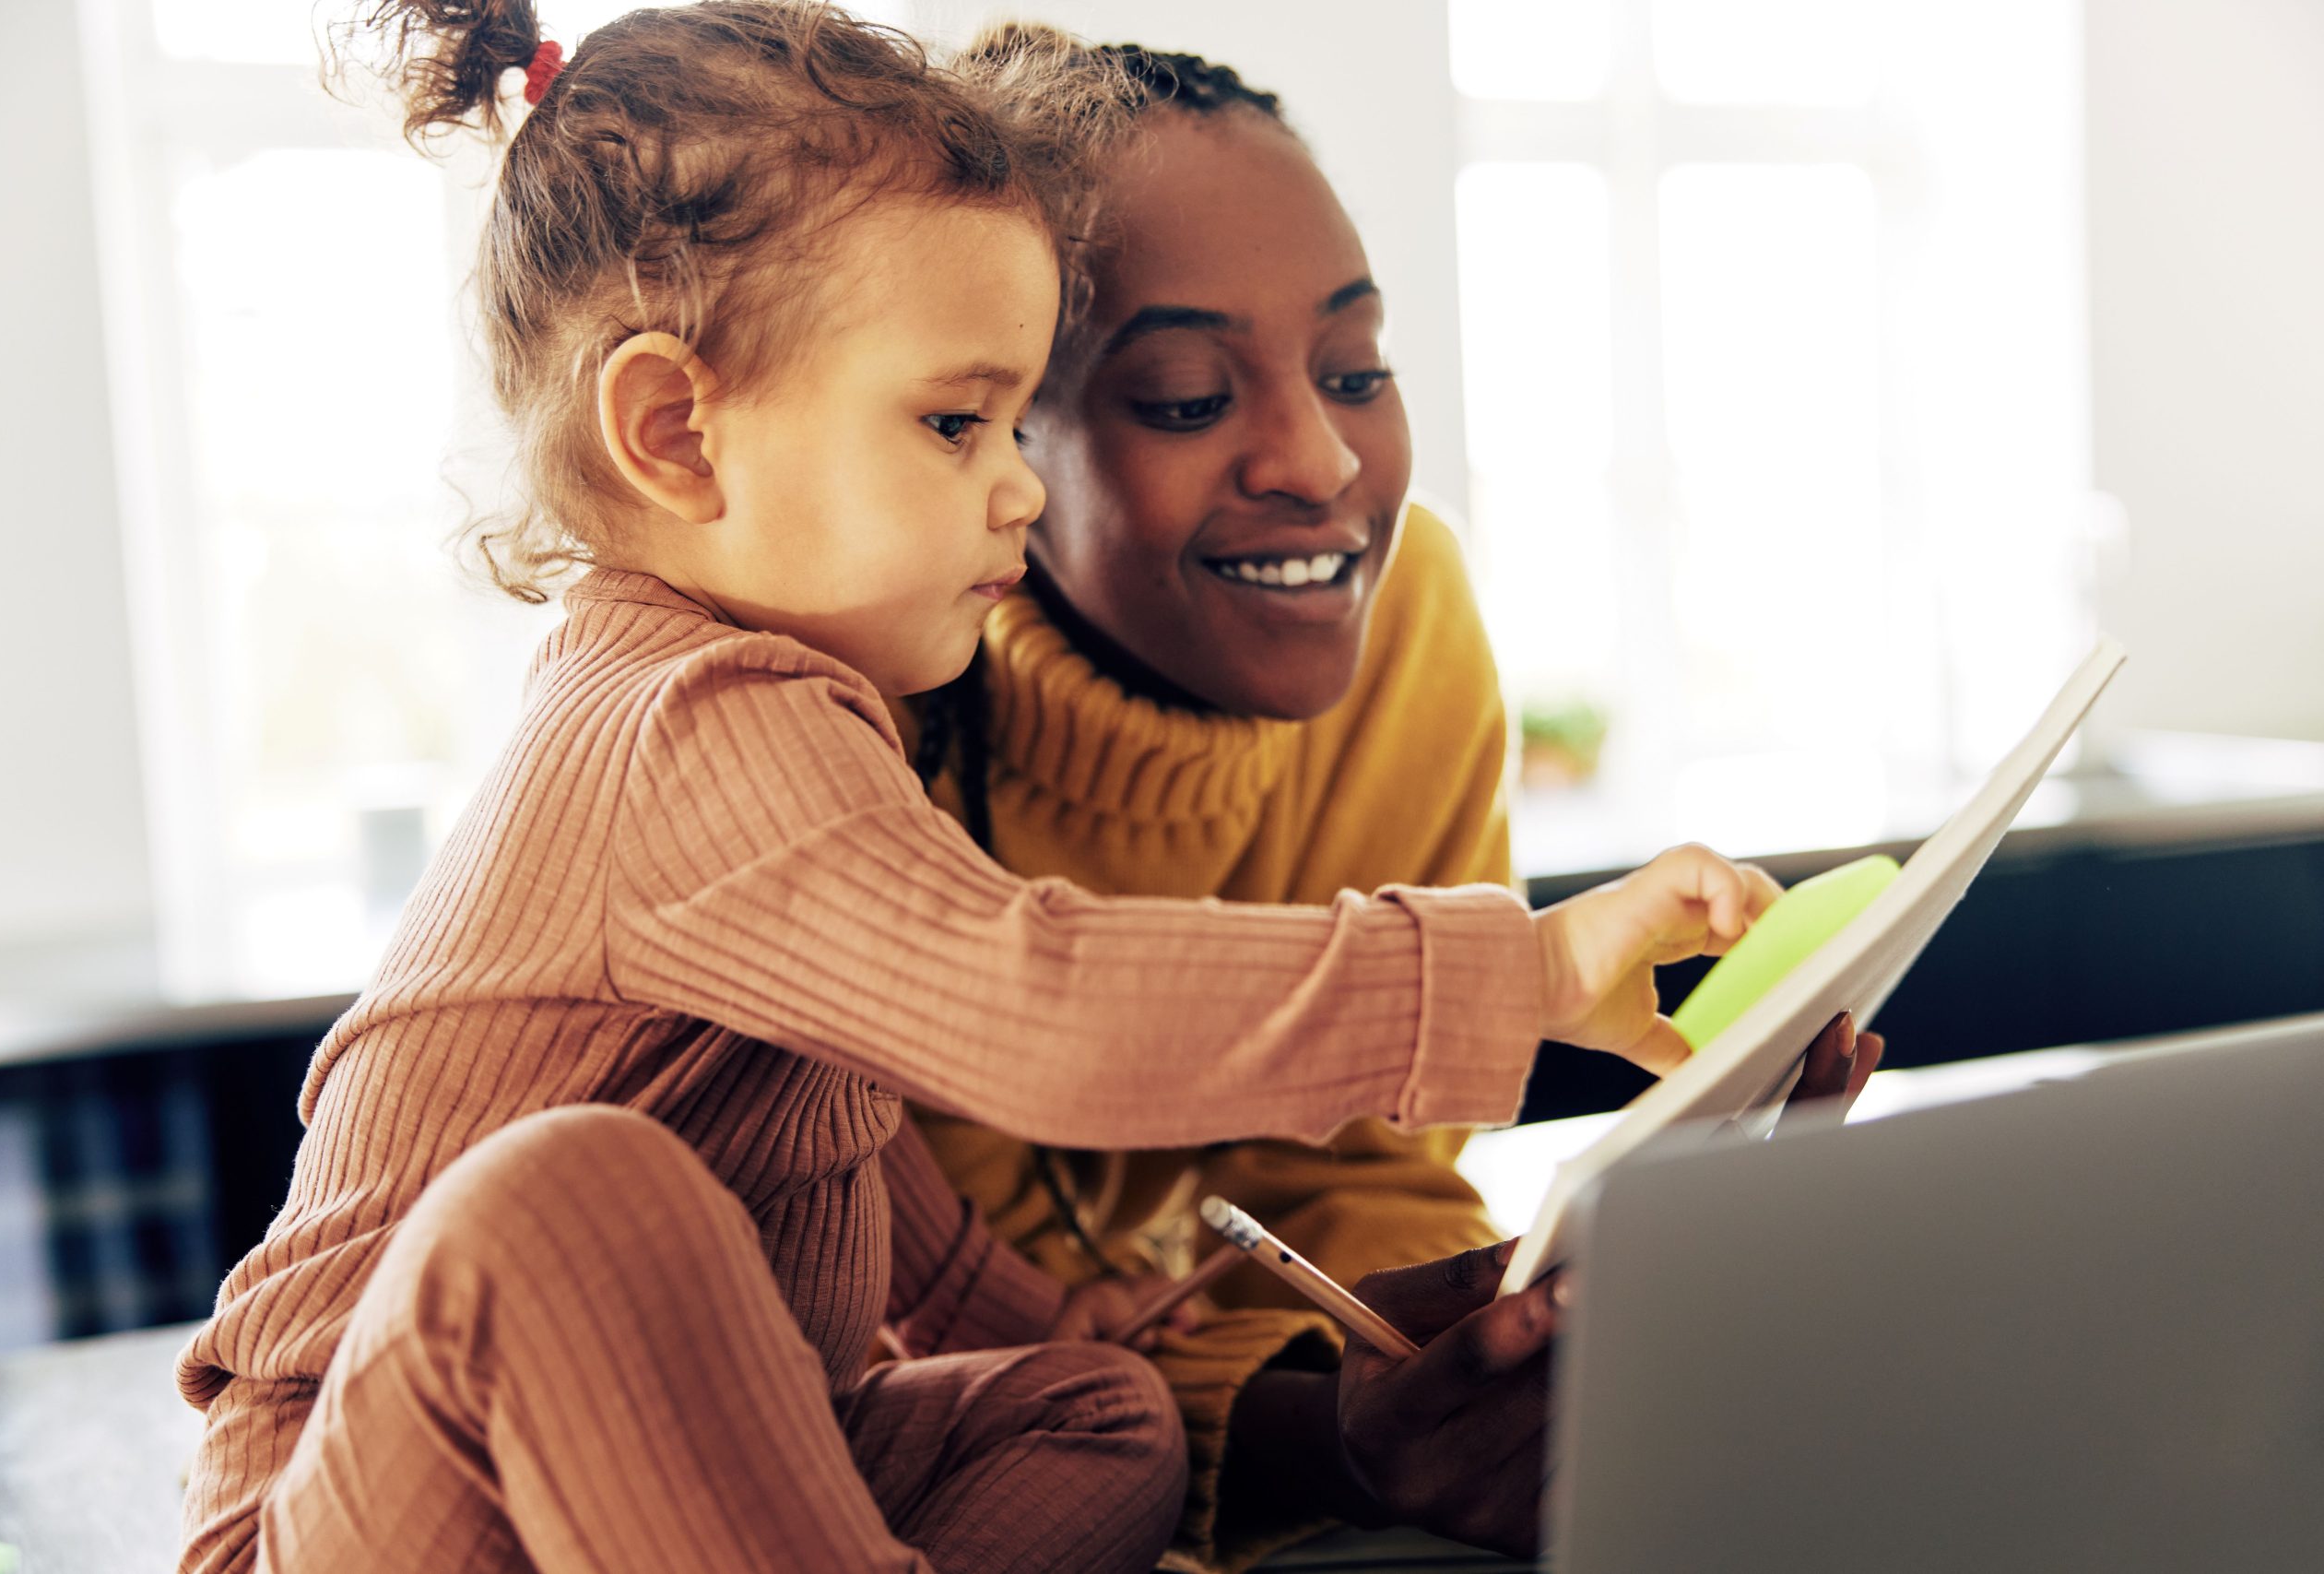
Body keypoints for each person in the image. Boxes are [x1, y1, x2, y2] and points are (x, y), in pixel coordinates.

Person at [173, 6, 1793, 1571]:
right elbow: (1041, 1006)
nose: (1016, 480)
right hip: (368, 1508)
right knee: (566, 1197)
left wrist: (1051, 1327)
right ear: (677, 433)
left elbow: (840, 1140)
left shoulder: (813, 717)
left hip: (682, 1484)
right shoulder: (683, 726)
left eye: (1015, 417)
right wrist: (1530, 966)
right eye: (955, 423)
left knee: (1098, 1418)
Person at [914, 34, 1883, 1568]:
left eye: (1357, 373)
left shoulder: (1405, 615)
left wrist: (1473, 1345)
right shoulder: (845, 729)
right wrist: (1327, 1441)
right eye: (1181, 397)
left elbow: (1363, 1169)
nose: (1317, 459)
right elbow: (901, 1348)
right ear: (996, 438)